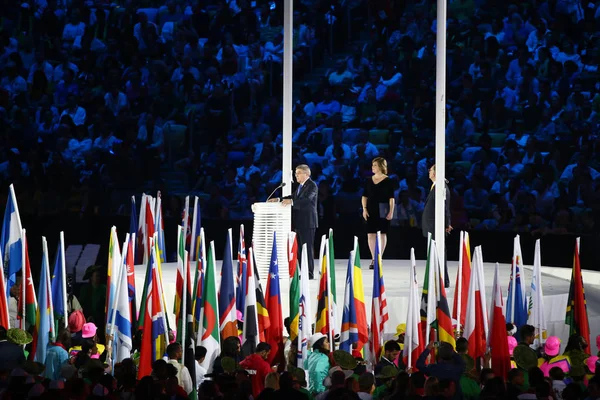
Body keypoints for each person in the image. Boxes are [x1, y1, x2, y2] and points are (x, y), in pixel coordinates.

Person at [269, 164, 318, 278]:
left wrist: (291, 202)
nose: (296, 175)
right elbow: (293, 196)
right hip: (299, 221)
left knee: (307, 248)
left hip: (307, 221)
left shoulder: (312, 185)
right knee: (300, 248)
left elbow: (306, 200)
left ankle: (309, 273)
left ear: (306, 174)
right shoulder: (301, 186)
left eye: (298, 173)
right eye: (296, 173)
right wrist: (279, 199)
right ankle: (303, 271)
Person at [361, 157, 395, 269]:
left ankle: (379, 257)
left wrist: (391, 211)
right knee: (371, 233)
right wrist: (364, 209)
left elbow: (391, 198)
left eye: (375, 165)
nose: (372, 167)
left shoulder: (388, 181)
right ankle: (373, 258)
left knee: (382, 233)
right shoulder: (369, 180)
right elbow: (364, 196)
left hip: (383, 208)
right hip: (371, 208)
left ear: (381, 166)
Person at [422, 164, 452, 287]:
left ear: (435, 173)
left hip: (436, 225)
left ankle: (442, 279)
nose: (429, 172)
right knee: (433, 252)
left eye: (430, 170)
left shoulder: (441, 187)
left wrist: (447, 223)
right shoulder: (435, 186)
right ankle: (436, 278)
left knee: (438, 252)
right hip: (432, 225)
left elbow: (445, 207)